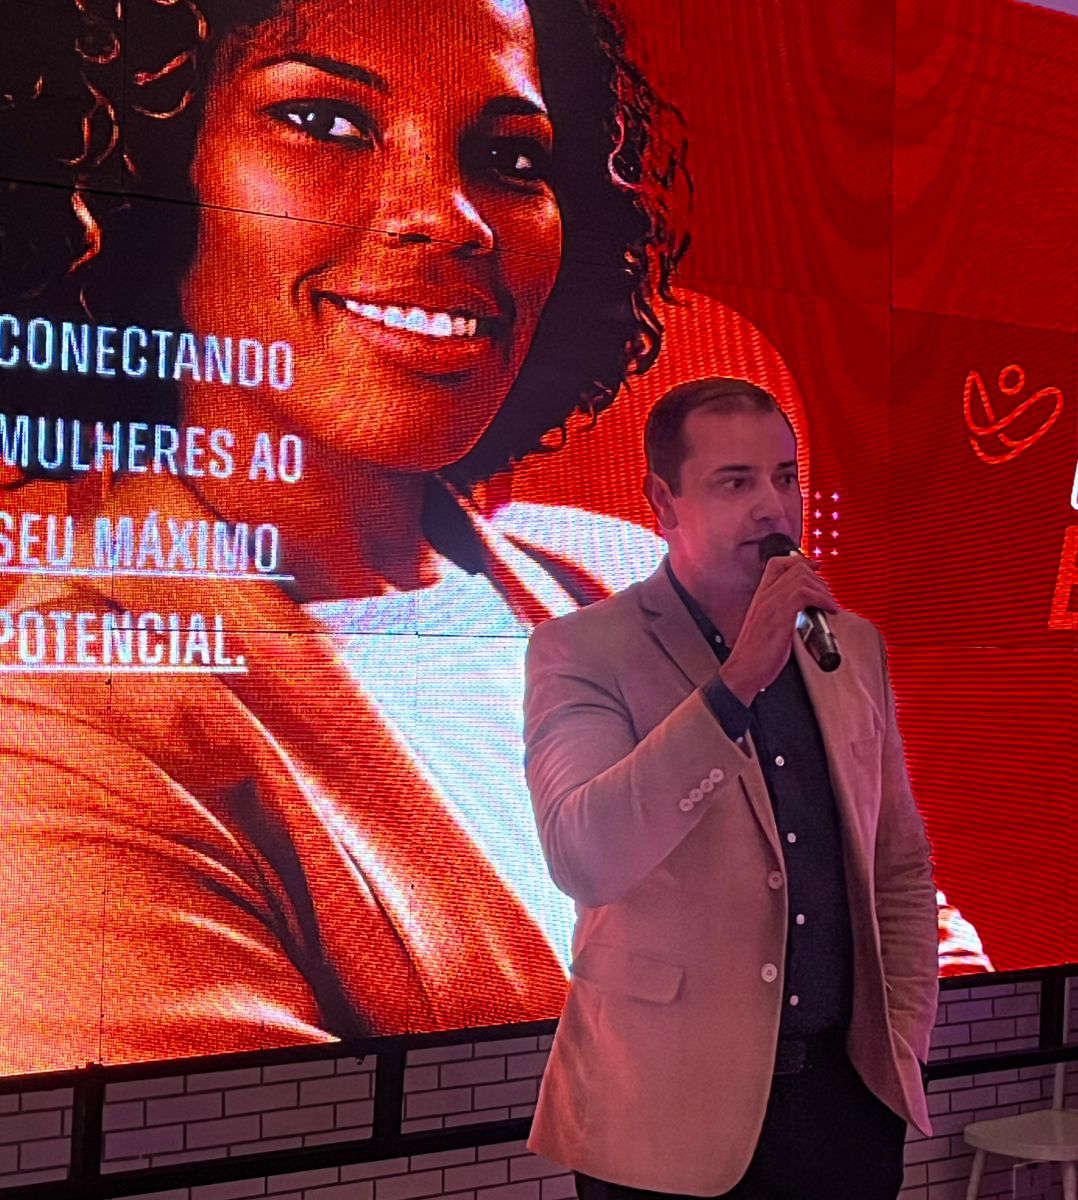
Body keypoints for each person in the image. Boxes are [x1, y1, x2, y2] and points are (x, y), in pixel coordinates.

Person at [0, 0, 684, 1073]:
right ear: (149, 172)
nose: (453, 219)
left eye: (510, 158)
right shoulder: (57, 725)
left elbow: (885, 940)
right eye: (325, 123)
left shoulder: (633, 579)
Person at [523, 377, 938, 1199]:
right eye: (735, 482)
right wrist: (737, 680)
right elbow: (585, 857)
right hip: (661, 1119)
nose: (772, 508)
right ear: (663, 502)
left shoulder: (850, 647)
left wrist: (901, 1042)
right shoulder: (581, 649)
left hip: (842, 1106)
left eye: (785, 478)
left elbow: (898, 865)